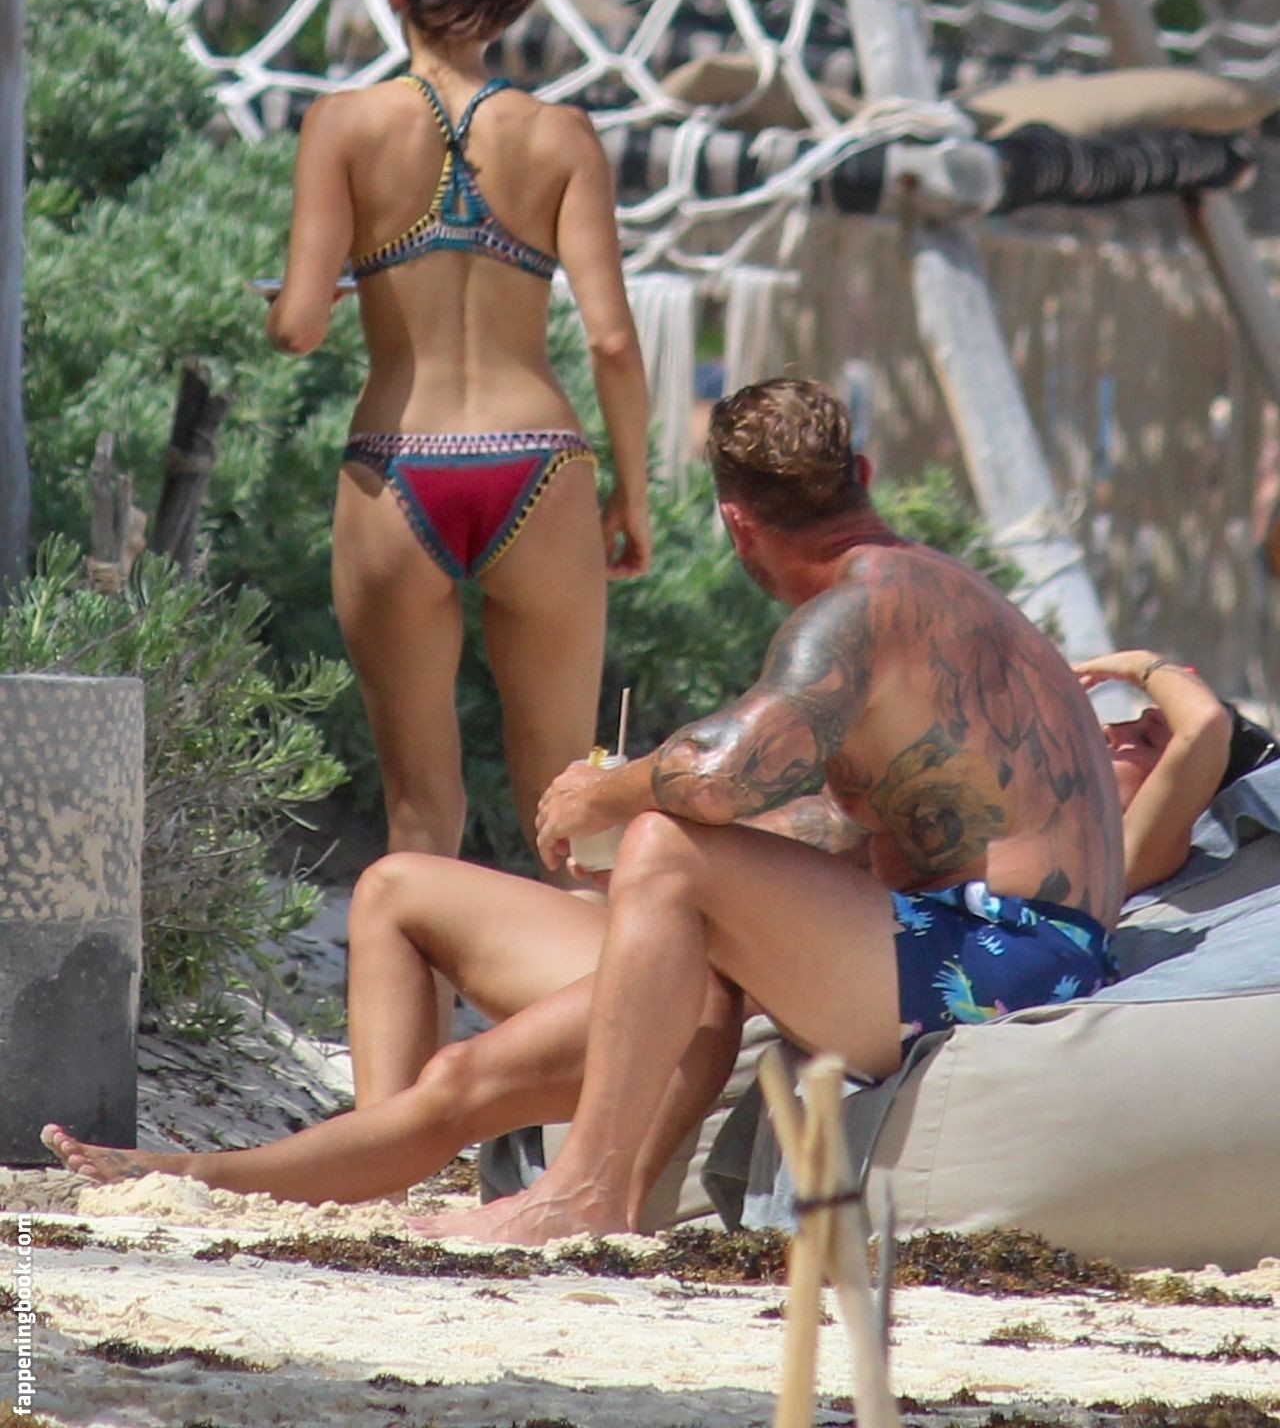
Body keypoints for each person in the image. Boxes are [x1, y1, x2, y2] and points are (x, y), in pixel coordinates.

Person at [44, 377, 1122, 1225]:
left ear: (734, 524)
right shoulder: (935, 595)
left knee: (663, 850)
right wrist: (645, 864)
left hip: (1003, 958)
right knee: (398, 889)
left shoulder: (855, 611)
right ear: (864, 476)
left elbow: (715, 776)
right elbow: (858, 823)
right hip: (929, 935)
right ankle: (321, 1175)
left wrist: (595, 795)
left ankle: (587, 1193)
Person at [264, 0, 651, 858]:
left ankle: (417, 967)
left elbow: (299, 328)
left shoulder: (341, 124)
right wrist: (634, 496)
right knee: (565, 814)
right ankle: (586, 964)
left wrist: (303, 300)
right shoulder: (562, 135)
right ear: (511, 2)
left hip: (398, 465)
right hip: (540, 464)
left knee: (419, 816)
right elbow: (611, 341)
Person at [1075, 649, 1278, 895]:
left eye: (1146, 738)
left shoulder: (1114, 862)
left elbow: (1206, 725)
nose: (1110, 730)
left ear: (1189, 796)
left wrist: (1143, 665)